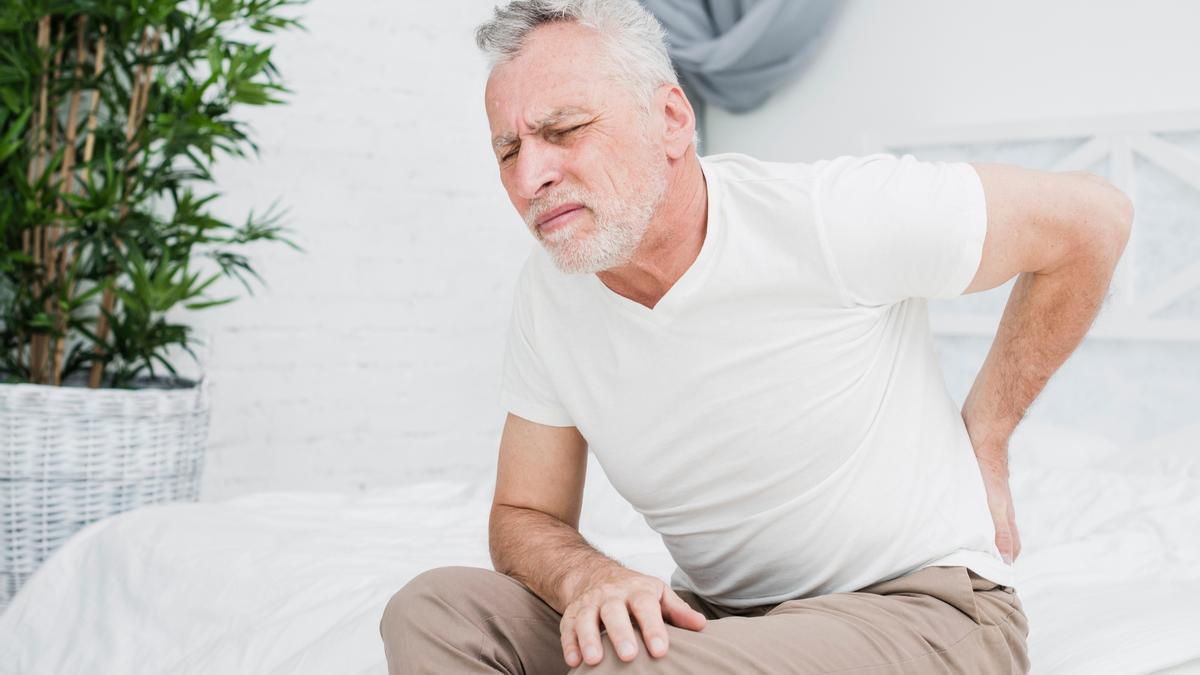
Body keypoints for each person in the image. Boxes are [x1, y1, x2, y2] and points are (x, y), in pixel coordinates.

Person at [379, 1, 1133, 672]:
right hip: (724, 624)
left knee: (633, 671)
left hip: (917, 608)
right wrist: (590, 575)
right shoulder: (550, 295)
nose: (529, 178)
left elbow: (1093, 221)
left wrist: (987, 437)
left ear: (671, 121)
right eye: (508, 150)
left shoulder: (830, 215)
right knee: (433, 611)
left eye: (564, 130)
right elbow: (524, 513)